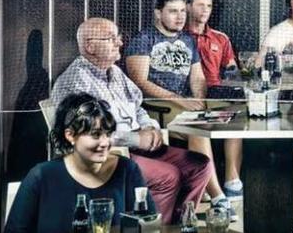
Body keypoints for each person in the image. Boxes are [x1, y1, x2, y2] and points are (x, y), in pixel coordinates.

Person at [51, 18, 217, 224]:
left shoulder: (115, 72)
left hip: (134, 148)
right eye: (111, 38)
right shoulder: (75, 81)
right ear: (90, 46)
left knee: (199, 165)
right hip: (103, 156)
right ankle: (151, 229)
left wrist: (150, 126)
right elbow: (87, 136)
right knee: (168, 176)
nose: (120, 42)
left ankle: (176, 224)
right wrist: (136, 139)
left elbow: (137, 107)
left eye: (118, 37)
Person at [125, 0, 237, 219]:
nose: (180, 17)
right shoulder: (144, 39)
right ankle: (218, 197)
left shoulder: (187, 40)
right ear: (158, 13)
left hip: (183, 106)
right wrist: (181, 101)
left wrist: (202, 102)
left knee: (228, 116)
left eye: (182, 12)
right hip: (155, 107)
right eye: (173, 11)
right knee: (198, 129)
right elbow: (140, 82)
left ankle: (229, 184)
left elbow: (197, 78)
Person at [6, 93, 156, 232]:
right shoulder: (41, 176)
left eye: (108, 133)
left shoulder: (128, 170)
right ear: (70, 135)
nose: (105, 142)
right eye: (96, 135)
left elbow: (149, 228)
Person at [185, 0, 244, 199]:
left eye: (209, 6)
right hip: (189, 96)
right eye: (200, 5)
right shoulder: (180, 37)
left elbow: (232, 71)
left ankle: (232, 181)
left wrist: (233, 72)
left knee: (238, 114)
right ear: (188, 6)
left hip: (217, 94)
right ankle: (209, 188)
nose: (205, 10)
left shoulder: (220, 38)